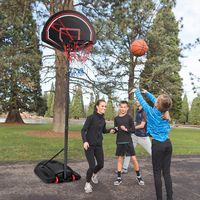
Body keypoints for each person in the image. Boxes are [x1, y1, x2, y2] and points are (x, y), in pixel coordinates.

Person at [130, 88, 173, 200]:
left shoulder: (151, 111)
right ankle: (170, 198)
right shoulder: (165, 111)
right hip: (168, 144)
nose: (156, 99)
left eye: (157, 99)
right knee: (167, 173)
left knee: (157, 173)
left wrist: (137, 91)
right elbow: (158, 101)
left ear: (158, 103)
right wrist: (147, 93)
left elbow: (142, 101)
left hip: (158, 145)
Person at [81, 99, 114, 193]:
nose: (104, 108)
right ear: (97, 107)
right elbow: (83, 130)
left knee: (101, 164)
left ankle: (94, 174)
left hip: (98, 146)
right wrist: (85, 141)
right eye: (102, 106)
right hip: (89, 146)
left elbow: (103, 131)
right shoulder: (91, 118)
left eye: (105, 106)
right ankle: (87, 184)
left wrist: (110, 130)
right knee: (92, 166)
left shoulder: (103, 119)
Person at [113, 100, 144, 186]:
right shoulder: (116, 118)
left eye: (124, 107)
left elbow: (133, 130)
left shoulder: (129, 118)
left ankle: (139, 177)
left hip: (128, 141)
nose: (123, 109)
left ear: (127, 108)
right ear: (119, 107)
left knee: (134, 159)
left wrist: (125, 129)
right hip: (119, 141)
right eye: (121, 107)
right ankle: (119, 178)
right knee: (120, 159)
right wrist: (113, 131)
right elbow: (116, 129)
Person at [122, 101, 151, 174]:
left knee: (152, 152)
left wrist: (132, 128)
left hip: (143, 136)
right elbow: (137, 123)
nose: (136, 101)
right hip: (135, 135)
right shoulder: (138, 110)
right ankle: (124, 168)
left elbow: (142, 125)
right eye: (136, 99)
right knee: (128, 151)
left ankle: (161, 168)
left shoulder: (144, 111)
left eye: (138, 99)